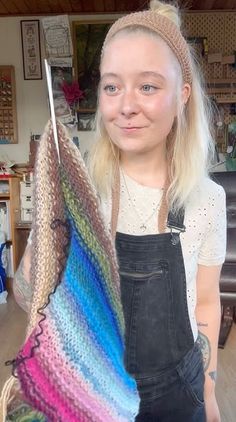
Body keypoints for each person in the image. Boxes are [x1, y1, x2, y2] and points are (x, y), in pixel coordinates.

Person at [13, 1, 226, 421]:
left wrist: (210, 388)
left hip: (178, 394)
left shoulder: (207, 200)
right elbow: (25, 297)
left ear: (182, 95)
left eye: (147, 87)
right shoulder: (83, 193)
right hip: (92, 386)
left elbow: (205, 303)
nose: (125, 105)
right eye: (112, 87)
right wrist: (48, 226)